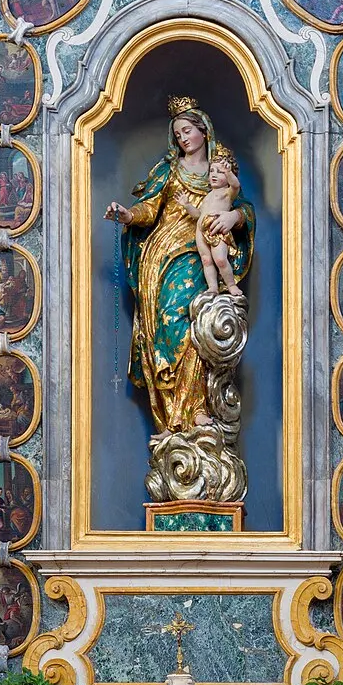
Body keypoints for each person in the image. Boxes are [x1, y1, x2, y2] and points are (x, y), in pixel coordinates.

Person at [104, 98, 255, 436]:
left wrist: (234, 216)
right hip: (162, 260)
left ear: (204, 131)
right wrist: (128, 215)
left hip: (201, 258)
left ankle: (197, 410)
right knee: (170, 327)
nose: (183, 138)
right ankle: (173, 415)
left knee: (198, 329)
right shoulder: (168, 171)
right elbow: (148, 208)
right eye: (177, 134)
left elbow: (243, 206)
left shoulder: (221, 172)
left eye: (187, 131)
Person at [192, 151, 246, 297]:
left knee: (221, 260)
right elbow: (198, 214)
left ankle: (231, 285)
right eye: (211, 171)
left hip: (217, 230)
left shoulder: (228, 193)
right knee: (206, 260)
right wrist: (186, 206)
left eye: (220, 172)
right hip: (200, 230)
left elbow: (236, 185)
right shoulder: (208, 196)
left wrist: (228, 172)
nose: (214, 175)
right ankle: (212, 287)